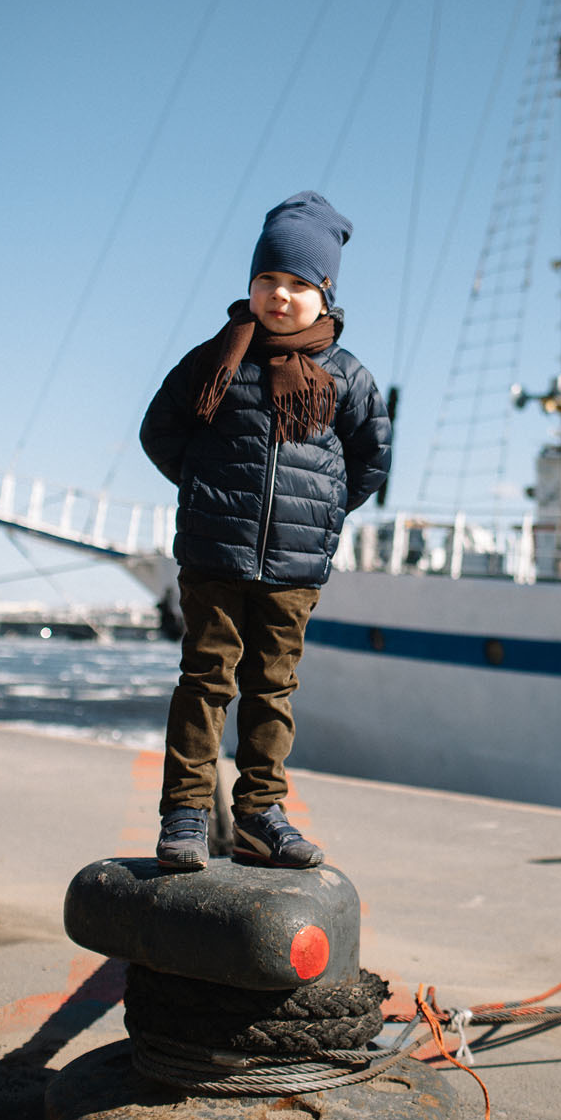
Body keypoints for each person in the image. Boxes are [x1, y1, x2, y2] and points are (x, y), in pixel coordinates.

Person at [140, 191, 392, 871]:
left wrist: (324, 515)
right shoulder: (216, 359)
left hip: (295, 568)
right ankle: (188, 812)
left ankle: (259, 814)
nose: (280, 296)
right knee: (205, 680)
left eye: (298, 284)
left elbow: (371, 458)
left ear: (326, 297)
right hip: (214, 555)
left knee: (271, 690)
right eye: (267, 280)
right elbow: (160, 431)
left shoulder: (346, 377)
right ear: (251, 285)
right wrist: (203, 489)